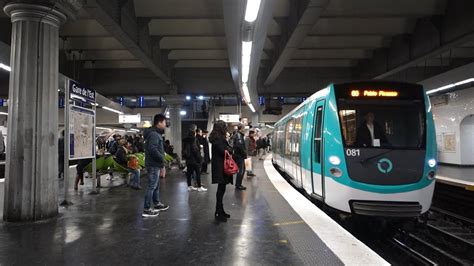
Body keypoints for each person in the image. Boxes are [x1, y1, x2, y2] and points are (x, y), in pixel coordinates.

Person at [142, 114, 169, 217]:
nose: (165, 124)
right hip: (153, 164)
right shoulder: (154, 134)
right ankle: (146, 209)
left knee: (155, 186)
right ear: (160, 122)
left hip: (155, 164)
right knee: (151, 186)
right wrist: (162, 159)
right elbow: (153, 149)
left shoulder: (155, 133)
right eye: (164, 122)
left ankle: (157, 203)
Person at [209, 120, 233, 222]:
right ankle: (219, 212)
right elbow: (224, 151)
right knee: (221, 190)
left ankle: (220, 210)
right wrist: (230, 148)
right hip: (221, 167)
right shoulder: (218, 138)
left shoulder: (217, 138)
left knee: (221, 189)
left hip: (219, 166)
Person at [231, 124, 247, 190]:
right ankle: (238, 185)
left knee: (242, 169)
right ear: (241, 128)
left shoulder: (238, 135)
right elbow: (239, 145)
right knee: (241, 170)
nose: (244, 129)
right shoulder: (239, 135)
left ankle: (239, 184)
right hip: (239, 156)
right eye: (244, 128)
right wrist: (244, 153)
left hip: (238, 155)